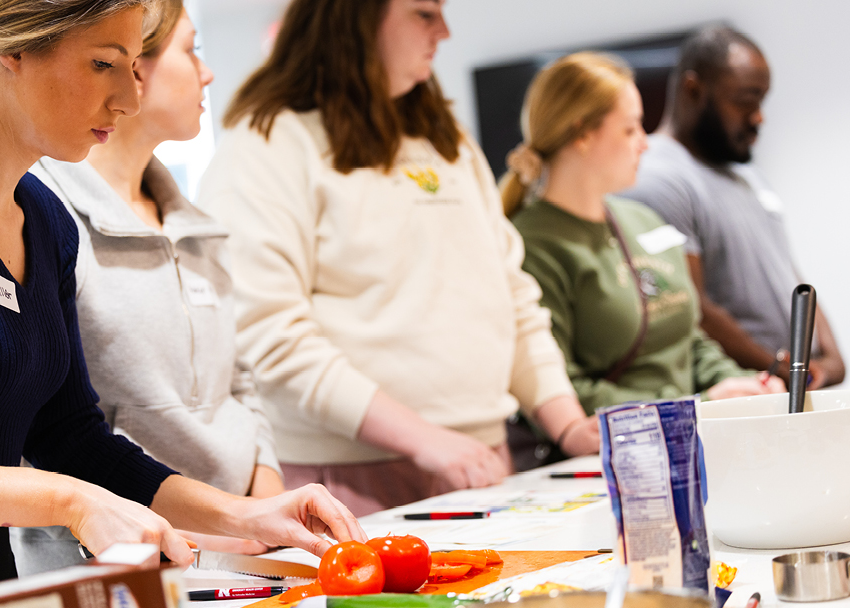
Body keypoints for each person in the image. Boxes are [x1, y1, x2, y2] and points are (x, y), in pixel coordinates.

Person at [0, 1, 363, 605]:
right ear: (13, 51)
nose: (127, 100)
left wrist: (242, 516)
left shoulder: (45, 221)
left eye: (132, 67)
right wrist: (69, 500)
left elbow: (72, 437)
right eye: (103, 64)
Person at [196, 0, 600, 517]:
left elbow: (512, 297)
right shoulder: (267, 144)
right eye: (424, 14)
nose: (445, 31)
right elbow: (269, 335)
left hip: (482, 465)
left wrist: (567, 424)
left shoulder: (446, 142)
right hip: (348, 482)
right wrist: (424, 439)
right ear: (356, 17)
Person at [11, 0, 283, 575]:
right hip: (119, 561)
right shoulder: (39, 213)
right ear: (133, 65)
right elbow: (58, 430)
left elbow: (240, 384)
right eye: (192, 50)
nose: (207, 73)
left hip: (238, 553)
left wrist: (262, 507)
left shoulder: (197, 224)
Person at [504, 52, 785, 415]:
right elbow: (559, 391)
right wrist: (698, 406)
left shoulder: (643, 220)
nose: (645, 142)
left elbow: (686, 341)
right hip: (609, 456)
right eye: (630, 128)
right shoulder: (530, 244)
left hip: (688, 438)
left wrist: (743, 385)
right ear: (583, 134)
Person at [621, 26, 844, 389]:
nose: (759, 117)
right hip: (746, 392)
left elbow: (794, 279)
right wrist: (778, 368)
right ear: (694, 90)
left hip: (791, 385)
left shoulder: (749, 177)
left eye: (762, 102)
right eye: (745, 100)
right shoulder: (659, 178)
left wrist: (831, 359)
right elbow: (691, 307)